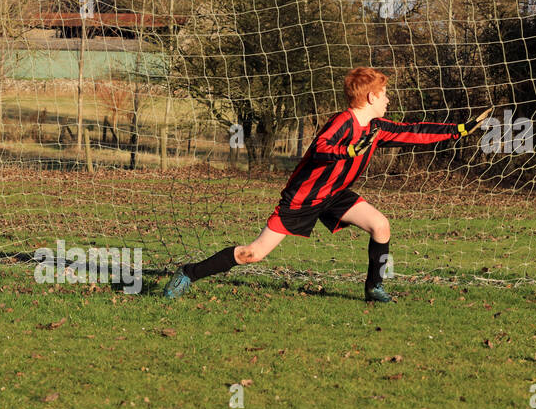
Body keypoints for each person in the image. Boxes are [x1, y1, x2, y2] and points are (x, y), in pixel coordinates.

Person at [164, 67, 490, 302]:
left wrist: (460, 129)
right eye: (385, 93)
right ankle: (188, 273)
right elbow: (321, 147)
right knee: (253, 254)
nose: (388, 99)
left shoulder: (377, 126)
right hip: (302, 199)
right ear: (372, 95)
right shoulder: (342, 122)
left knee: (381, 226)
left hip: (334, 195)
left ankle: (374, 287)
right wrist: (348, 150)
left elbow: (414, 132)